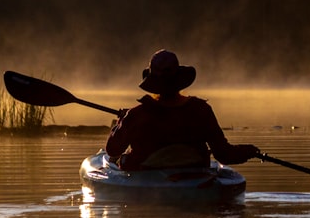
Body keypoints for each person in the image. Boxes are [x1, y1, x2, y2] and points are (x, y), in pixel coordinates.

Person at [105, 49, 260, 170]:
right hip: (194, 176)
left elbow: (113, 150)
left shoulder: (138, 115)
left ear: (153, 81)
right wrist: (248, 151)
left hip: (146, 176)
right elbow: (224, 155)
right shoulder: (201, 110)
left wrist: (122, 121)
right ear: (179, 78)